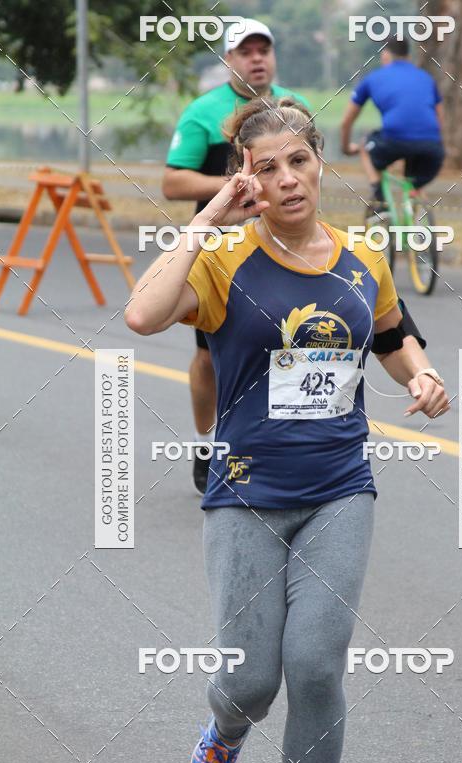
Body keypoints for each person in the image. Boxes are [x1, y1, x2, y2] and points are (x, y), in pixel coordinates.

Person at [126, 96, 449, 763]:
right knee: (249, 682)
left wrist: (423, 376)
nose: (285, 178)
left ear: (318, 164)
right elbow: (140, 314)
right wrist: (208, 216)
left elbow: (389, 336)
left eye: (297, 161)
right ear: (247, 177)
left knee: (313, 669)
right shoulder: (223, 259)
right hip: (245, 494)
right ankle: (223, 732)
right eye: (264, 167)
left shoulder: (361, 256)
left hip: (341, 487)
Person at [162, 18, 308, 493]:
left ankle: (278, 447)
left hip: (282, 243)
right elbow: (173, 182)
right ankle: (208, 444)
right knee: (210, 358)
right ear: (229, 60)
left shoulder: (292, 108)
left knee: (284, 342)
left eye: (264, 49)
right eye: (246, 52)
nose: (257, 59)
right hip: (223, 247)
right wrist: (232, 190)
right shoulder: (203, 112)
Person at [340, 35, 445, 203]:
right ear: (407, 56)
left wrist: (346, 148)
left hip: (394, 141)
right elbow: (440, 118)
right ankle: (416, 218)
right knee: (413, 185)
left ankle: (378, 196)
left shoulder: (373, 78)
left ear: (385, 55)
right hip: (433, 150)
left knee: (365, 145)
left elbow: (346, 122)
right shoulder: (426, 78)